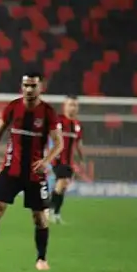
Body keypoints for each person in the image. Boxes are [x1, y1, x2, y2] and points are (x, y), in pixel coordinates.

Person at [0, 72, 63, 271]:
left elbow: (59, 143)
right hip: (11, 170)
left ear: (41, 87)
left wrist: (46, 161)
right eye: (26, 85)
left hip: (35, 174)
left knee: (39, 218)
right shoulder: (13, 107)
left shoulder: (48, 112)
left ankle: (41, 259)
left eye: (33, 85)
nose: (29, 89)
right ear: (21, 86)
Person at [48, 95, 83, 224]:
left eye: (75, 105)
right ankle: (50, 210)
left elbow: (78, 144)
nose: (73, 107)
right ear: (65, 106)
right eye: (70, 104)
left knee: (63, 187)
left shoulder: (77, 125)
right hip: (57, 159)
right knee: (62, 182)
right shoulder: (59, 121)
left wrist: (81, 158)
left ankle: (56, 213)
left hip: (69, 162)